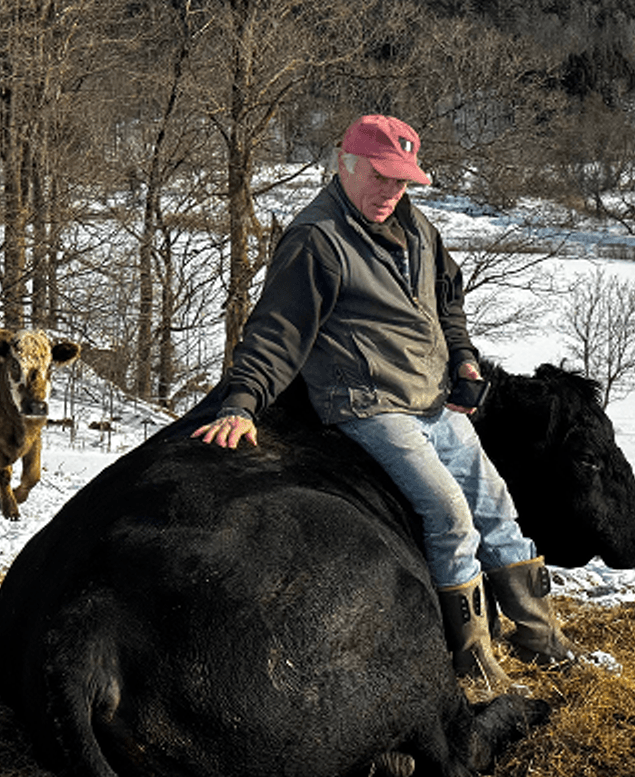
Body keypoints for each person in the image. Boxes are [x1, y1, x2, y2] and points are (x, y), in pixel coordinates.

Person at [193, 114, 576, 688]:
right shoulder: (316, 240)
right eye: (380, 177)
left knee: (495, 504)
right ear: (344, 164)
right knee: (448, 513)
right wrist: (241, 402)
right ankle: (472, 659)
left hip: (433, 398)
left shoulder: (416, 226)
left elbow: (447, 299)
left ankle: (542, 633)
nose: (390, 192)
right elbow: (277, 331)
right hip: (368, 402)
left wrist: (463, 357)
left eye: (401, 181)